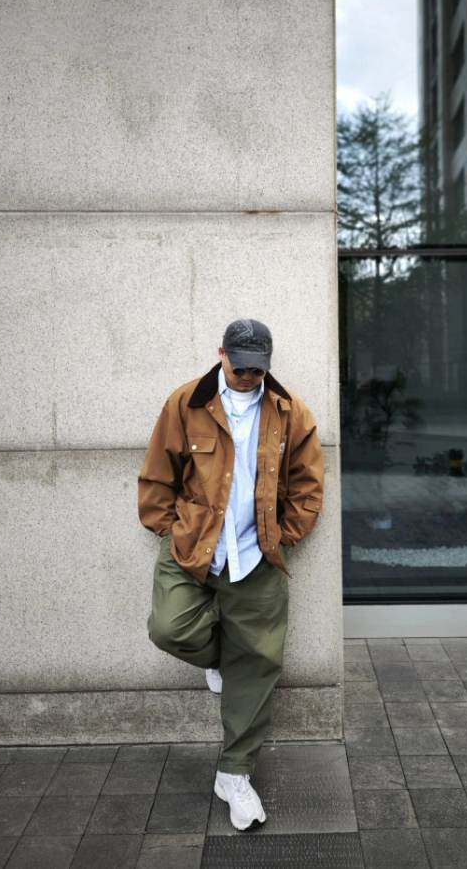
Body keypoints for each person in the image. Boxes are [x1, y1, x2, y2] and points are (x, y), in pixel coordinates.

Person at [137, 318, 324, 831]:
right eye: (240, 367)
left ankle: (234, 774)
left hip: (258, 554)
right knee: (169, 629)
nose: (247, 377)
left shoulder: (290, 412)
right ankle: (222, 658)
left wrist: (285, 535)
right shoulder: (186, 403)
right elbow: (157, 473)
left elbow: (309, 484)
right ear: (221, 354)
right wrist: (167, 529)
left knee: (258, 663)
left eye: (256, 369)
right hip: (194, 547)